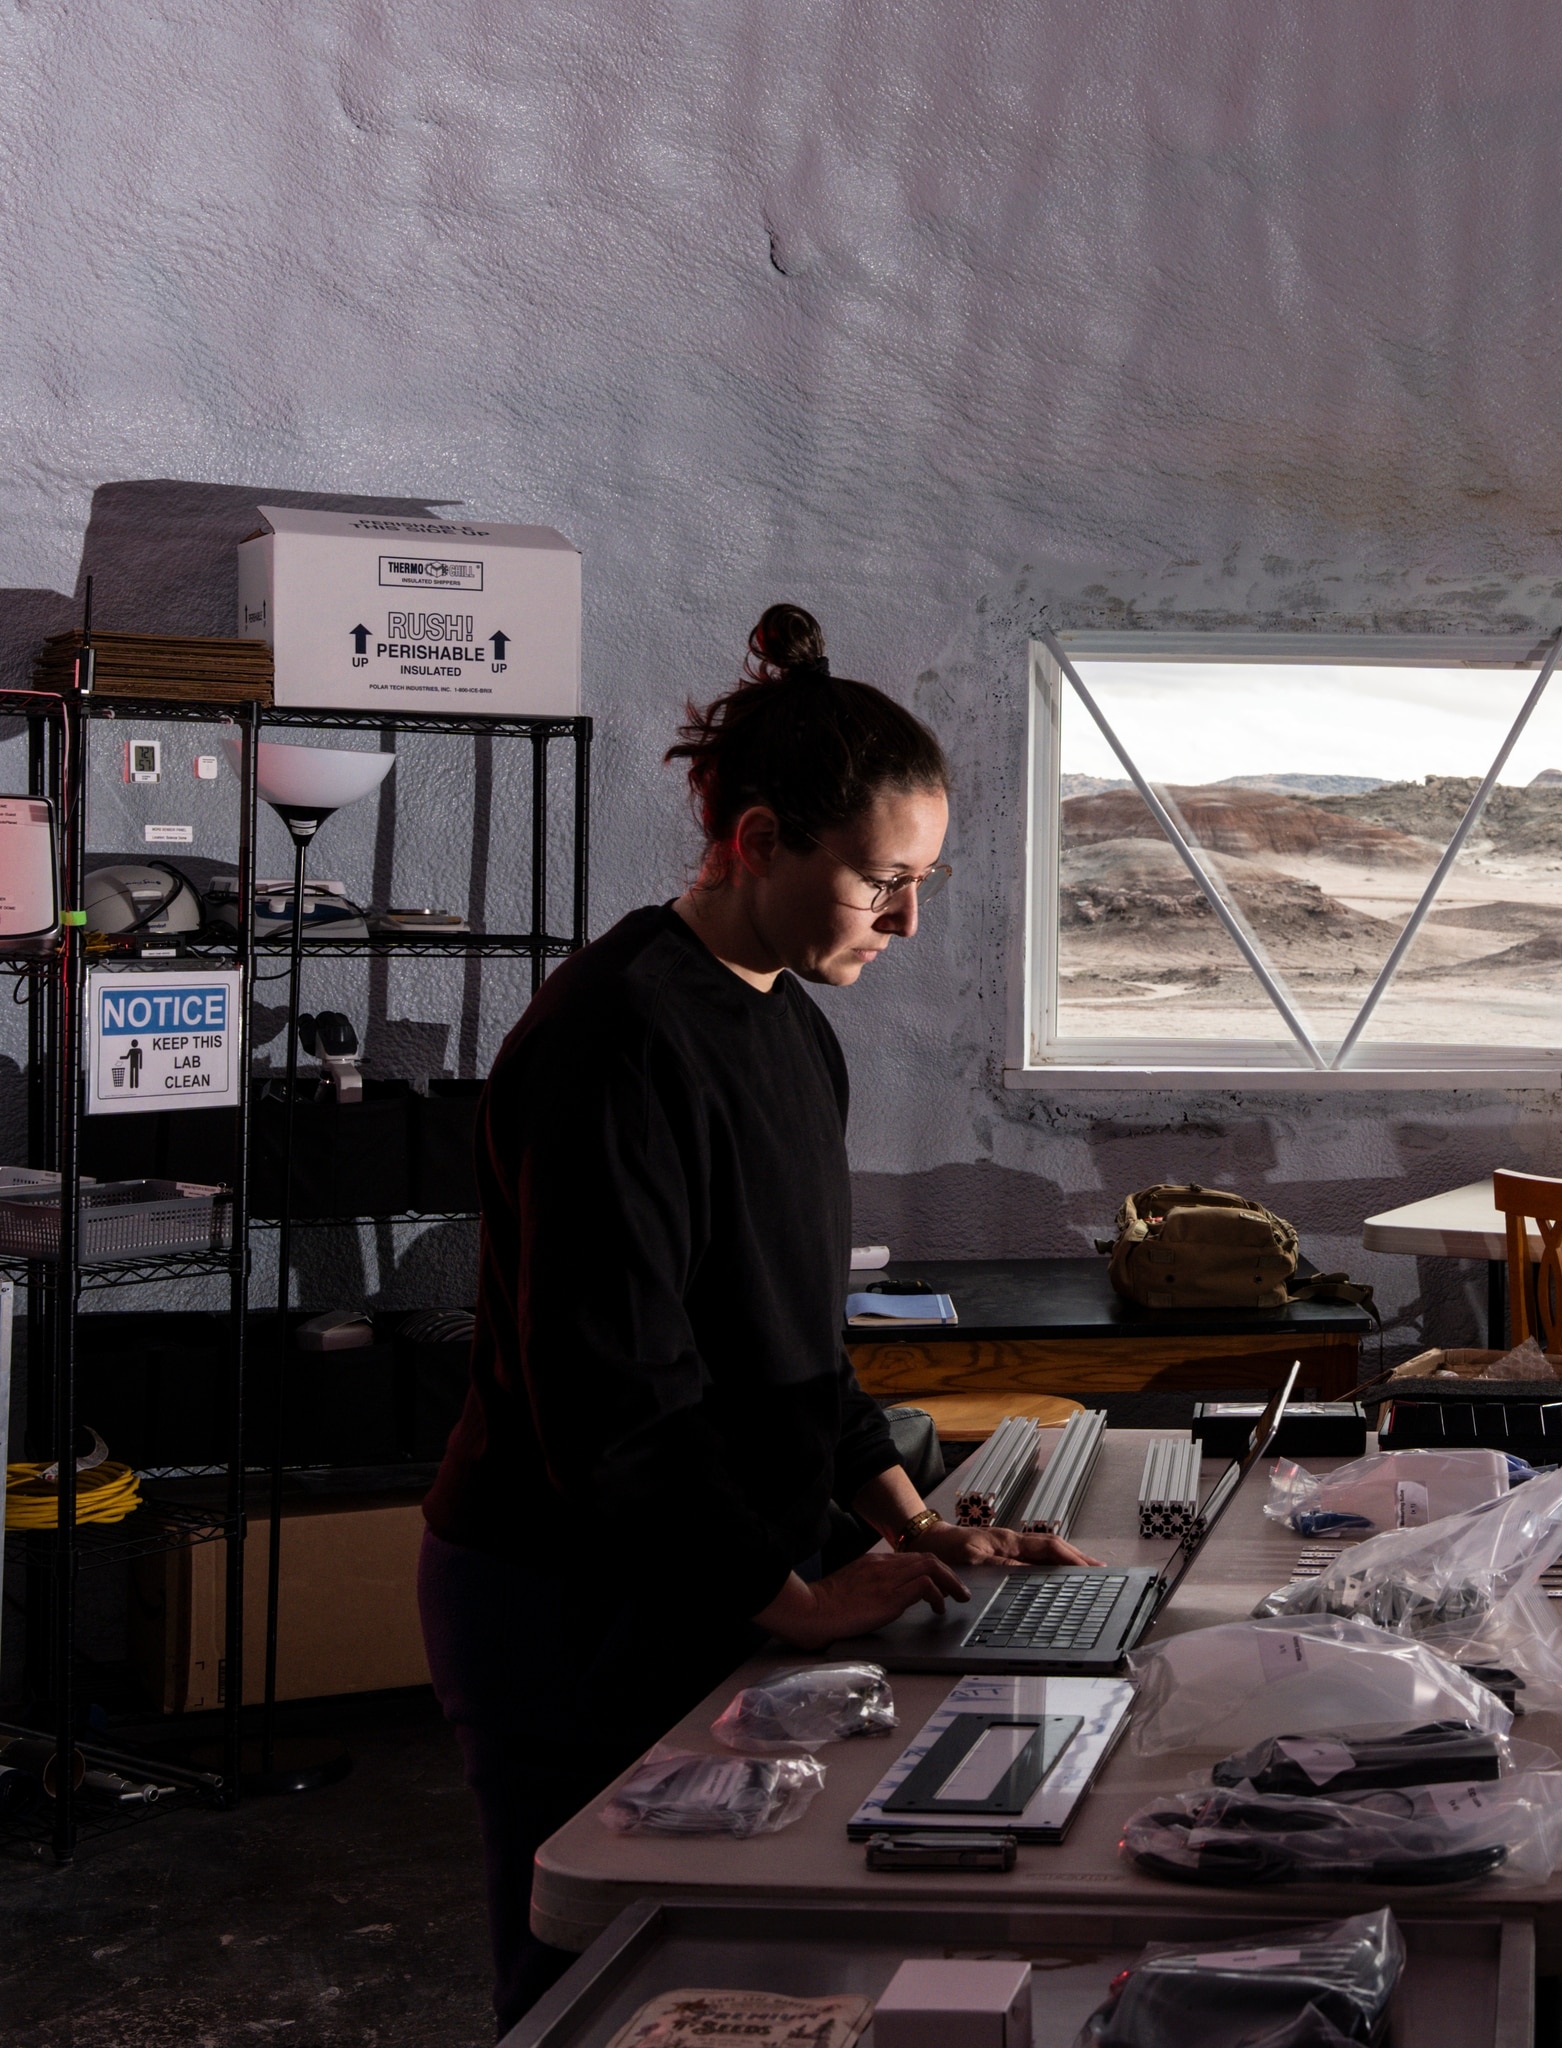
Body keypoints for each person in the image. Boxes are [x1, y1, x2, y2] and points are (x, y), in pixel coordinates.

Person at [417, 604, 1096, 2033]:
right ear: (758, 842)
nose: (911, 919)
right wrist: (792, 1599)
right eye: (881, 881)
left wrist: (911, 1526)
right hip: (569, 1595)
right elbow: (614, 1397)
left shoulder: (788, 1021)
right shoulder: (617, 1041)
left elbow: (798, 1351)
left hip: (698, 1565)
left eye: (928, 880)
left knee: (732, 1987)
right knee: (593, 1984)